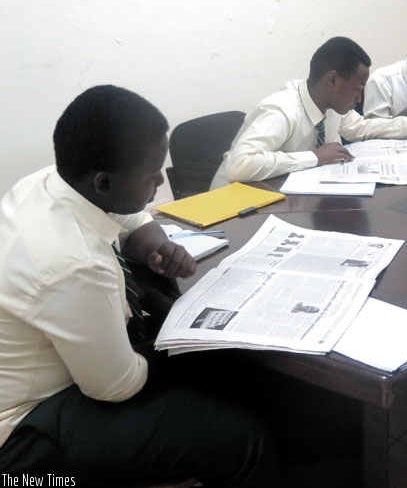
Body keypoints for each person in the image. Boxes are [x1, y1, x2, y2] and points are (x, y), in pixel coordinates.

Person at [0, 85, 279, 486]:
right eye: (151, 177)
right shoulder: (71, 263)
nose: (159, 187)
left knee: (215, 369)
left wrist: (159, 245)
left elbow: (132, 218)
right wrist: (187, 346)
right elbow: (117, 386)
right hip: (27, 436)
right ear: (104, 182)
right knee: (242, 439)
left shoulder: (50, 183)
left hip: (67, 374)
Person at [211, 36, 407, 188]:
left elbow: (362, 127)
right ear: (333, 79)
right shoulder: (282, 110)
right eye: (358, 88)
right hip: (229, 211)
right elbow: (239, 165)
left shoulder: (330, 107)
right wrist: (314, 157)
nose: (359, 98)